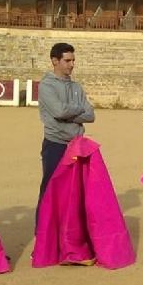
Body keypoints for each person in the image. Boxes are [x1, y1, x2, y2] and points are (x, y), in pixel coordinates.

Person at [36, 42, 95, 226]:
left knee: (76, 192)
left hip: (77, 145)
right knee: (50, 190)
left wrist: (70, 112)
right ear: (55, 61)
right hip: (56, 144)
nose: (71, 64)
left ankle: (69, 235)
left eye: (73, 60)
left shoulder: (77, 86)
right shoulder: (46, 86)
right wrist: (78, 111)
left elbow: (91, 115)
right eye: (67, 60)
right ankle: (42, 235)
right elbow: (58, 112)